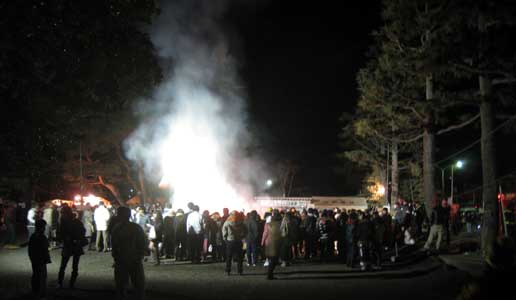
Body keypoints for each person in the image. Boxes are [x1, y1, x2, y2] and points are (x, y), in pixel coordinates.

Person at [111, 206, 146, 300]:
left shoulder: (117, 229)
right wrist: (140, 255)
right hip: (134, 259)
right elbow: (143, 243)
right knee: (138, 284)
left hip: (122, 260)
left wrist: (115, 256)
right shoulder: (136, 228)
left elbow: (114, 246)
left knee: (121, 285)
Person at [57, 208, 85, 289]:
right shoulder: (73, 221)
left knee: (68, 266)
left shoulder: (68, 222)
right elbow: (83, 231)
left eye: (63, 214)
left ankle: (67, 284)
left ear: (67, 214)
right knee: (68, 266)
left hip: (72, 245)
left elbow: (82, 232)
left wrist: (67, 237)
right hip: (73, 245)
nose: (62, 215)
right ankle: (64, 283)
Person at [28, 219, 51, 299]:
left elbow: (30, 250)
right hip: (40, 260)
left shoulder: (33, 236)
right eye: (43, 227)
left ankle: (36, 291)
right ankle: (39, 293)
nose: (44, 228)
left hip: (35, 260)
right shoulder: (41, 237)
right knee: (41, 276)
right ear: (41, 227)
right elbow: (45, 248)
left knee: (36, 275)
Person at [222, 211, 247, 275]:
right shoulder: (241, 222)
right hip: (238, 241)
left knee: (229, 257)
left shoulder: (227, 222)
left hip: (230, 241)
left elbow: (224, 231)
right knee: (239, 257)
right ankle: (240, 271)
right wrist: (242, 236)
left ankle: (228, 270)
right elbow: (245, 230)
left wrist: (225, 239)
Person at [262, 209, 282, 280]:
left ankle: (270, 274)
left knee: (271, 258)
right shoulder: (280, 222)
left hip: (268, 242)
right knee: (274, 259)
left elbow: (265, 233)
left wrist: (262, 242)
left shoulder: (268, 223)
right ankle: (269, 275)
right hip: (277, 242)